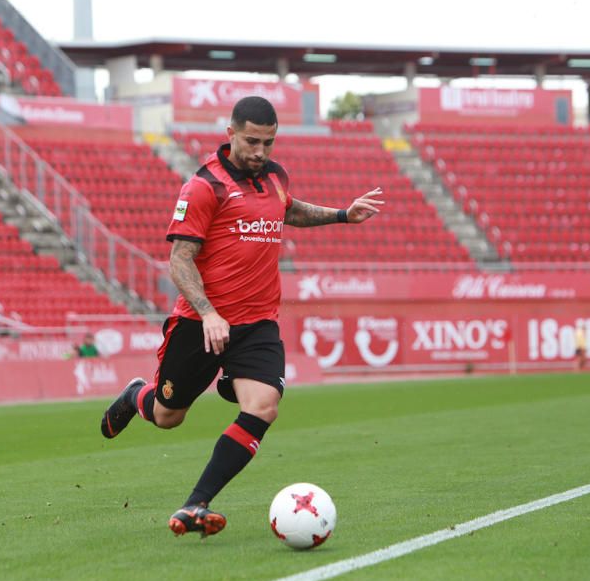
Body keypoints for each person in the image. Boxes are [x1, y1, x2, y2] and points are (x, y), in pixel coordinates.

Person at [98, 96, 384, 538]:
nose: (260, 151)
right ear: (230, 133)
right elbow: (179, 260)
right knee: (167, 415)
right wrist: (209, 313)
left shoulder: (275, 175)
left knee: (264, 406)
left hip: (257, 323)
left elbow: (287, 209)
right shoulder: (203, 187)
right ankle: (137, 395)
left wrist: (343, 215)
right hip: (201, 325)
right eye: (252, 141)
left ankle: (196, 503)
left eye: (268, 142)